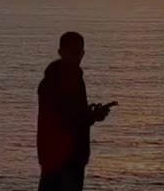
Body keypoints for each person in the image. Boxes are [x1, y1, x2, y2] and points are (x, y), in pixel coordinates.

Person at [37, 32, 115, 191]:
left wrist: (89, 114)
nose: (77, 57)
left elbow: (70, 113)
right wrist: (91, 116)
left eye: (79, 52)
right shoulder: (59, 81)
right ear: (61, 52)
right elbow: (63, 119)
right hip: (62, 161)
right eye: (72, 52)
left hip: (66, 159)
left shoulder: (68, 78)